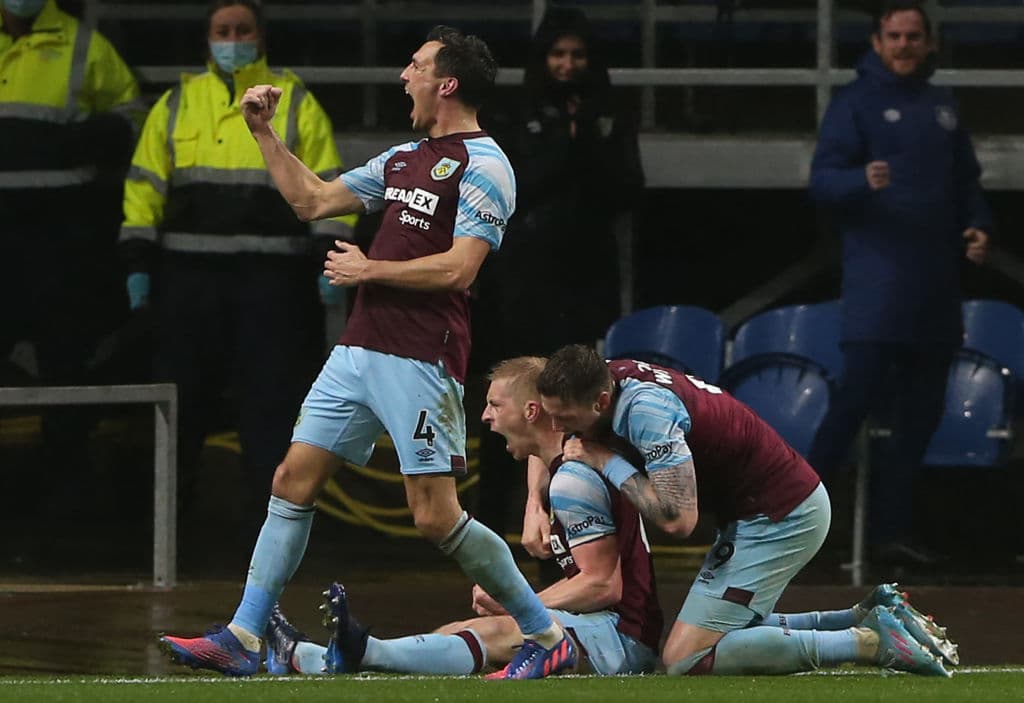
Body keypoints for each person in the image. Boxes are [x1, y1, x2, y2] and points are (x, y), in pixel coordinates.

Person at [157, 26, 577, 680]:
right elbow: (314, 198)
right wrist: (265, 134)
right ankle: (245, 631)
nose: (401, 76)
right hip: (359, 347)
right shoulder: (406, 156)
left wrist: (369, 270)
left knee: (435, 516)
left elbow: (461, 269)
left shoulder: (487, 165)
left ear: (448, 83)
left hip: (421, 356)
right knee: (291, 479)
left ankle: (545, 631)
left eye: (414, 66)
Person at [531, 344, 955, 676]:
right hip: (759, 509)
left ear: (601, 402)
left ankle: (871, 643)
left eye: (565, 419)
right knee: (719, 633)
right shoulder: (597, 376)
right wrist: (535, 502)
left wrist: (606, 462)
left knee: (685, 658)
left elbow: (679, 520)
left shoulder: (646, 412)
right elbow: (554, 431)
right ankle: (864, 615)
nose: (557, 430)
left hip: (780, 516)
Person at [262, 356, 663, 677]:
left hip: (622, 638)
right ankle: (306, 655)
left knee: (497, 630)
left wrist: (521, 604)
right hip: (598, 627)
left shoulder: (573, 480)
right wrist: (533, 504)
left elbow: (603, 585)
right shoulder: (561, 464)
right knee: (453, 634)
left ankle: (339, 649)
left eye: (494, 405)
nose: (486, 417)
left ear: (530, 411)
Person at [118, 0, 356, 517]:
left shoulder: (295, 102)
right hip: (188, 284)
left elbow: (330, 184)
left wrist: (328, 258)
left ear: (260, 37)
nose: (232, 39)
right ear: (207, 40)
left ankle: (270, 528)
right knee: (183, 409)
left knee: (271, 410)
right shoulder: (177, 103)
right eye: (222, 31)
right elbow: (144, 186)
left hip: (272, 286)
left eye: (242, 30)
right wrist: (138, 261)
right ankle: (169, 525)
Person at [806, 0, 992, 567]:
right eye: (895, 36)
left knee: (919, 418)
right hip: (878, 289)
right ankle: (791, 521)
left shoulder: (941, 105)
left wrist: (979, 225)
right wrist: (860, 180)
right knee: (851, 405)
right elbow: (822, 183)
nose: (905, 45)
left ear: (930, 43)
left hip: (936, 291)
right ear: (878, 42)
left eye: (914, 36)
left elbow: (968, 183)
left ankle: (890, 534)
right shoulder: (855, 104)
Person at [471, 3, 643, 560]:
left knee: (571, 405)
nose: (568, 64)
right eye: (558, 54)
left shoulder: (608, 111)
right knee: (513, 401)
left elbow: (627, 188)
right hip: (521, 282)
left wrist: (587, 139)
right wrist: (564, 145)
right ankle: (495, 521)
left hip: (581, 280)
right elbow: (513, 187)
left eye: (577, 55)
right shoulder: (513, 111)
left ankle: (573, 522)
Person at [0, 0, 142, 481]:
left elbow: (131, 114)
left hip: (59, 244)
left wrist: (96, 136)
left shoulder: (85, 46)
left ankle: (61, 487)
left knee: (65, 367)